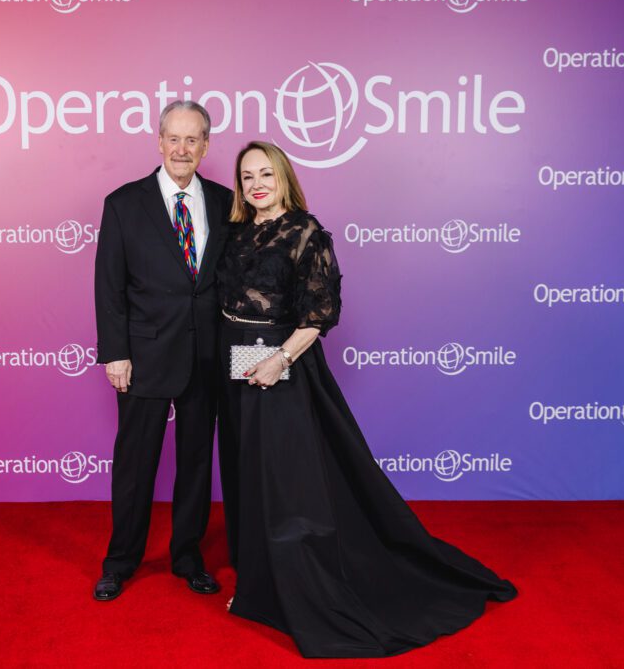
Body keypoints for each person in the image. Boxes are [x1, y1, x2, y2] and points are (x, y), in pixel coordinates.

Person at [216, 141, 517, 657]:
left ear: (284, 177)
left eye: (266, 173)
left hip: (278, 366)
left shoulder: (306, 232)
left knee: (285, 485)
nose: (257, 184)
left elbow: (319, 313)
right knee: (248, 475)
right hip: (234, 364)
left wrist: (279, 360)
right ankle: (257, 580)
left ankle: (288, 593)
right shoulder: (238, 231)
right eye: (247, 177)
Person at [92, 101, 232, 601]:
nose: (182, 149)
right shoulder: (123, 204)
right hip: (144, 357)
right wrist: (115, 353)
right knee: (135, 465)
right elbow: (109, 287)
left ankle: (187, 557)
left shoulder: (225, 202)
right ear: (158, 141)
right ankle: (120, 562)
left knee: (196, 464)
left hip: (206, 357)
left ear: (206, 146)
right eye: (174, 138)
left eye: (192, 139)